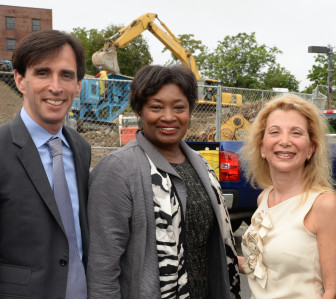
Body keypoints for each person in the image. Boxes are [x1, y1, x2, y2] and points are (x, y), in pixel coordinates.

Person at [0, 29, 90, 298]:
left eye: (66, 75)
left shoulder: (81, 149)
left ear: (78, 86)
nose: (56, 87)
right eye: (43, 73)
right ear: (20, 80)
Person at [87, 65, 240, 298]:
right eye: (156, 107)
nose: (169, 117)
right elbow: (102, 269)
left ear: (190, 111)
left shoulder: (200, 165)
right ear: (139, 110)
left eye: (179, 107)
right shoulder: (118, 170)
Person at [239, 94, 336, 298]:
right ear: (261, 147)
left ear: (311, 149)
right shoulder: (264, 198)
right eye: (274, 132)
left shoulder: (324, 204)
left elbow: (334, 290)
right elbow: (268, 269)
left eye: (296, 133)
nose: (284, 141)